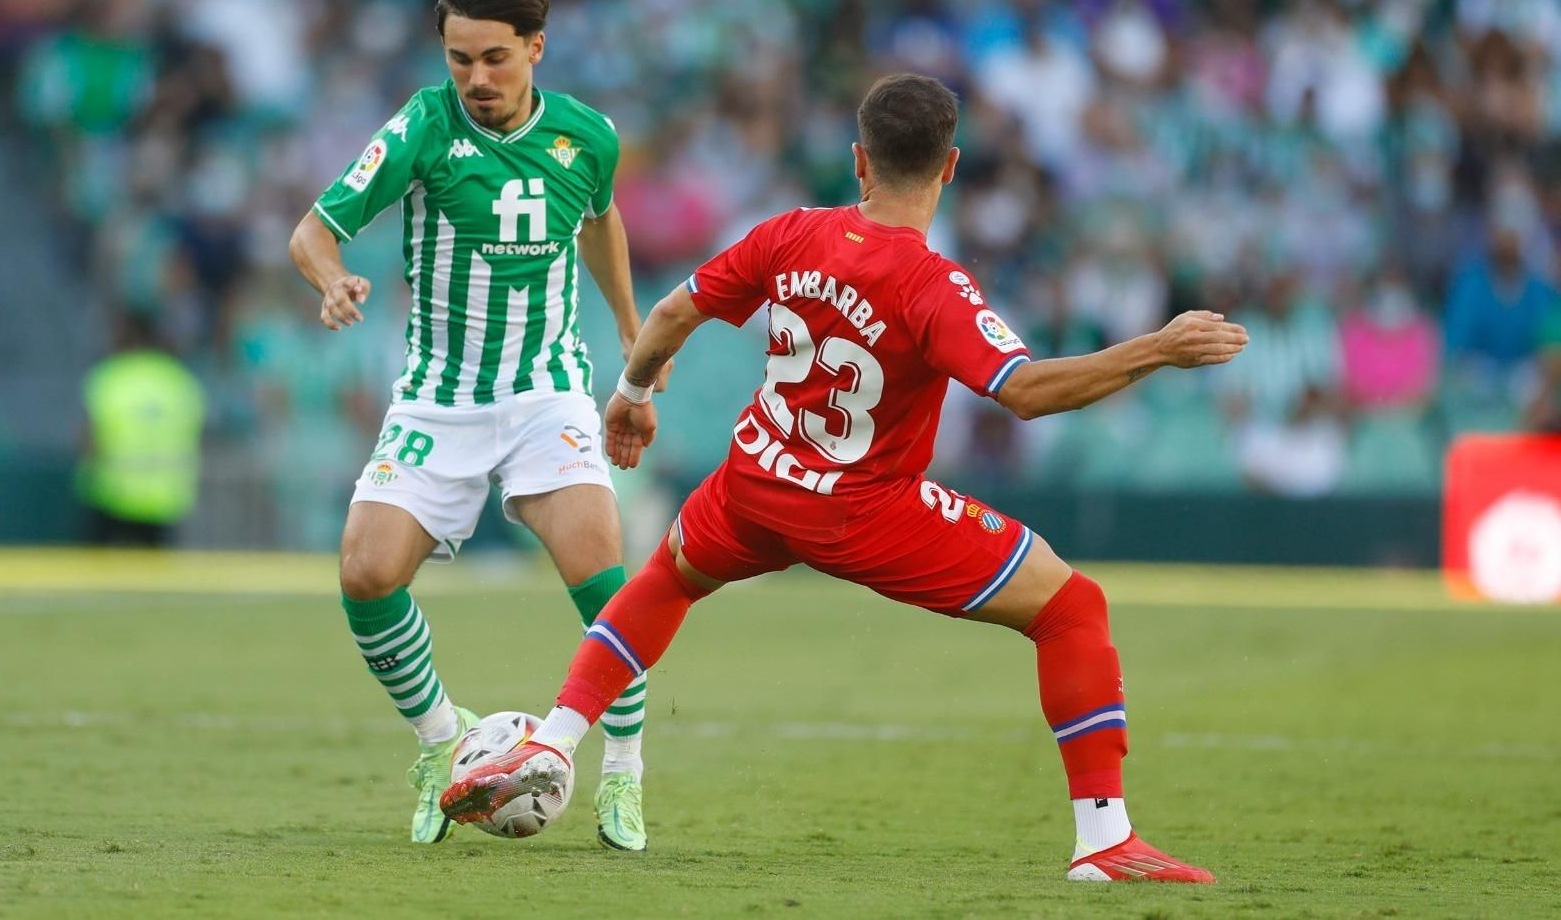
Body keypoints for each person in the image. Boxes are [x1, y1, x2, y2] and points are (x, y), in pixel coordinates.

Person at [440, 75, 1249, 882]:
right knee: (1072, 608)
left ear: (859, 160)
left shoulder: (790, 233)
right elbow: (1026, 392)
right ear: (950, 166)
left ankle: (555, 737)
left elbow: (672, 314)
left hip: (755, 482)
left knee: (666, 581)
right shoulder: (932, 284)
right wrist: (1158, 348)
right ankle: (1104, 838)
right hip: (867, 509)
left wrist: (632, 393)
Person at [288, 0, 664, 849]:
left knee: (603, 578)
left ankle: (622, 771)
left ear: (536, 46)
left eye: (495, 57)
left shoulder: (588, 137)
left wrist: (630, 329)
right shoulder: (422, 127)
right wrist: (332, 281)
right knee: (364, 574)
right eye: (460, 59)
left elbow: (601, 218)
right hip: (439, 398)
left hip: (547, 391)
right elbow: (312, 230)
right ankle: (441, 742)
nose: (477, 78)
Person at [78, 312, 206, 547]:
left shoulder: (111, 377)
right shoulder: (181, 381)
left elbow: (89, 441)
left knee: (95, 567)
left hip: (112, 496)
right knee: (155, 569)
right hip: (165, 499)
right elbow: (197, 437)